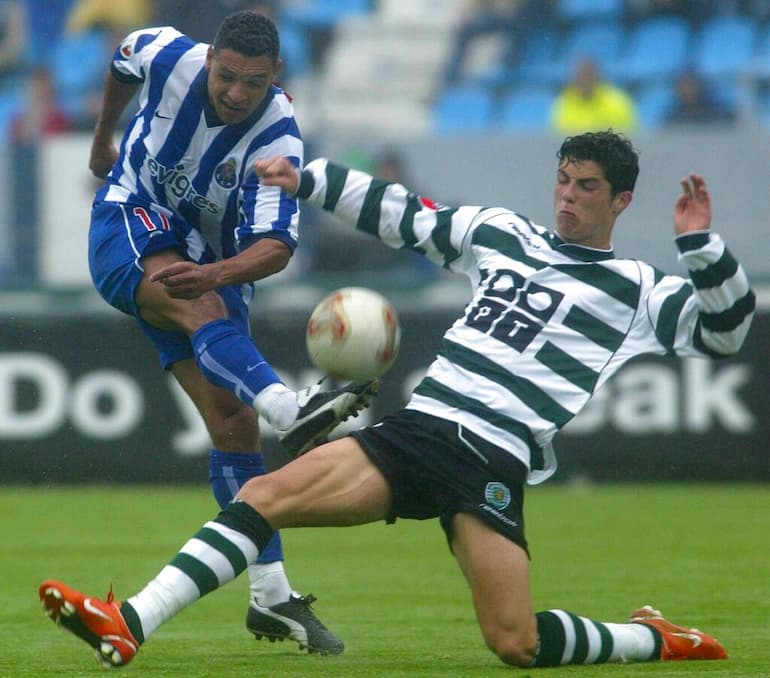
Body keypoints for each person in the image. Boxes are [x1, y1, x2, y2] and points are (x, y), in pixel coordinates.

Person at [39, 130, 755, 668]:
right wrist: (306, 177)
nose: (568, 196)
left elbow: (727, 332)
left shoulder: (638, 289)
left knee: (516, 641)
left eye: (588, 187)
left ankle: (649, 639)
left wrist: (701, 248)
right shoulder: (502, 234)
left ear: (621, 200)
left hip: (491, 462)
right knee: (263, 498)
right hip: (420, 429)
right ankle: (127, 622)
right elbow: (401, 214)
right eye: (564, 180)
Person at [79, 10, 379, 655]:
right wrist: (104, 141)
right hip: (128, 215)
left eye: (253, 82)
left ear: (276, 76)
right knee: (205, 314)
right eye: (227, 76)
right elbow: (121, 59)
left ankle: (270, 596)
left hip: (209, 263)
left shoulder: (279, 140)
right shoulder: (168, 54)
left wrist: (215, 270)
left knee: (232, 428)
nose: (236, 92)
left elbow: (274, 246)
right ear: (209, 57)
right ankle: (289, 408)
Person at [551, 57, 637, 134]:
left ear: (597, 75)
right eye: (580, 75)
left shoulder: (618, 102)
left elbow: (630, 136)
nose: (584, 79)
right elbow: (556, 139)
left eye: (588, 75)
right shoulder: (563, 104)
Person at [664, 70, 736, 126]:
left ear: (700, 86)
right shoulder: (673, 116)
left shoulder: (718, 111)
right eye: (683, 86)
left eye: (691, 85)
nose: (688, 89)